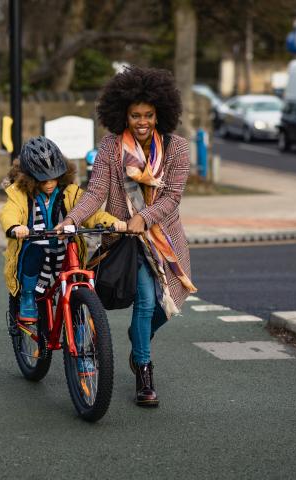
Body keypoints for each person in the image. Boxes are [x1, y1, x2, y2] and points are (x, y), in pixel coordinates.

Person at [56, 66, 197, 407]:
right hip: (127, 238)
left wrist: (145, 217)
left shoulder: (177, 148)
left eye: (148, 115)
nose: (142, 122)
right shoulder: (111, 147)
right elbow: (95, 193)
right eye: (135, 115)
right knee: (146, 299)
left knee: (172, 301)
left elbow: (172, 197)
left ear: (160, 114)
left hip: (165, 236)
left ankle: (138, 343)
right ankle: (144, 372)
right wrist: (71, 219)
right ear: (124, 114)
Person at [0, 136, 126, 375]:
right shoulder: (18, 193)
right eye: (42, 178)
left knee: (82, 297)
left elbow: (90, 213)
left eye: (54, 176)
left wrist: (113, 222)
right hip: (35, 250)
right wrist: (16, 227)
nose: (49, 183)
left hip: (64, 252)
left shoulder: (71, 192)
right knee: (35, 249)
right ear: (28, 176)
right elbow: (9, 213)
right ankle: (27, 296)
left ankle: (85, 352)